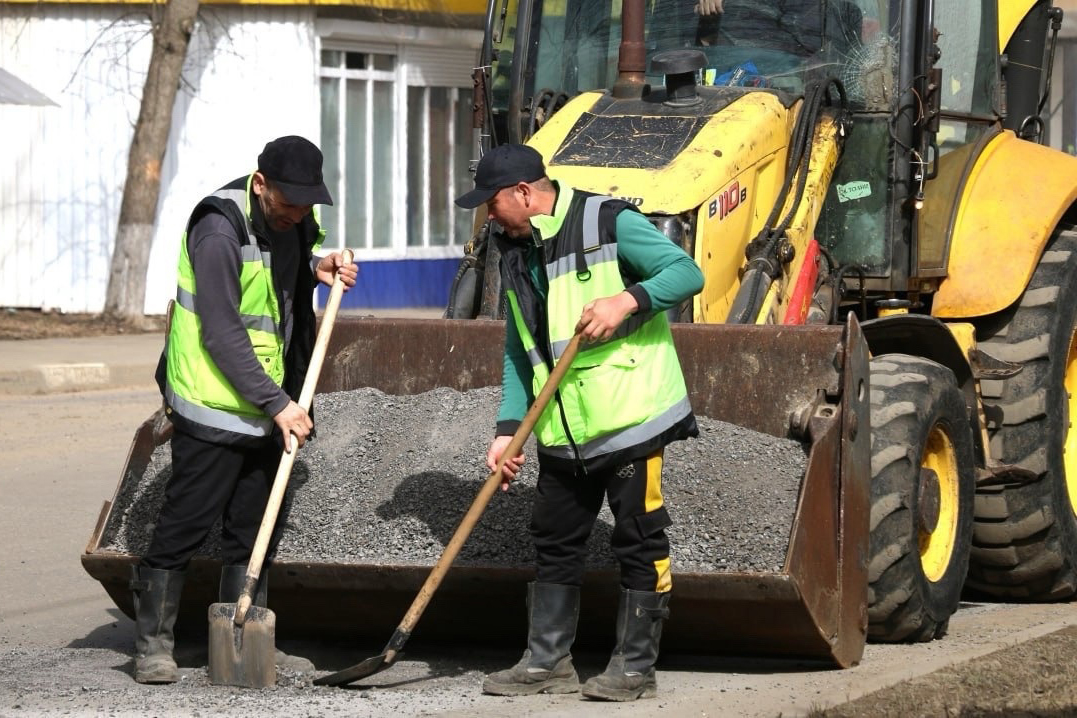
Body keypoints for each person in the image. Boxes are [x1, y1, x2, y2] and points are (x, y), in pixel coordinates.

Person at [454, 144, 704, 702]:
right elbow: (522, 349)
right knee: (554, 539)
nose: (488, 217)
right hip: (564, 428)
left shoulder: (608, 222)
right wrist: (508, 426)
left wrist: (628, 300)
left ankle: (635, 668)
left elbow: (687, 273)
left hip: (630, 418)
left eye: (492, 204)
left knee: (639, 540)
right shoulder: (513, 247)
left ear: (524, 192)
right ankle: (548, 662)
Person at [131, 135, 357, 684]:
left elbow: (279, 277)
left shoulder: (291, 220)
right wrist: (279, 404)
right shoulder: (217, 229)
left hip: (265, 405)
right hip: (213, 403)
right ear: (261, 185)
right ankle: (152, 646)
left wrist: (316, 267)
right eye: (288, 204)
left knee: (254, 526)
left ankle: (240, 631)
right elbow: (222, 330)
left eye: (307, 206)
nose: (297, 214)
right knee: (186, 521)